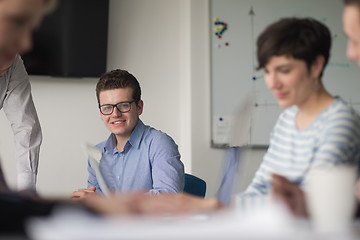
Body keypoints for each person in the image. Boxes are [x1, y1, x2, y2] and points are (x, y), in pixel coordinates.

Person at [271, 0, 360, 217]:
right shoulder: (286, 120)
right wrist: (308, 206)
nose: (350, 53)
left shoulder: (340, 121)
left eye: (356, 40)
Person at [70, 69, 185, 199]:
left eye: (123, 105)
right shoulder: (97, 153)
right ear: (101, 113)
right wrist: (86, 203)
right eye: (107, 107)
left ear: (139, 107)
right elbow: (99, 205)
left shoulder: (159, 144)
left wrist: (110, 202)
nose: (115, 114)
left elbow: (168, 197)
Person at [0, 0, 56, 191]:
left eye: (29, 28)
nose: (26, 44)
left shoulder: (13, 64)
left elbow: (27, 128)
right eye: (16, 21)